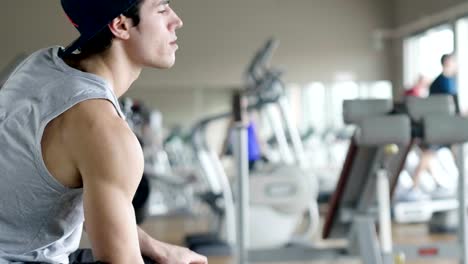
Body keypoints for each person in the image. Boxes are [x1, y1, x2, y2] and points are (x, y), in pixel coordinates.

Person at [0, 0, 207, 263]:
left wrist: (157, 247)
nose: (177, 21)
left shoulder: (40, 65)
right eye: (162, 9)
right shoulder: (103, 130)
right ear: (121, 25)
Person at [405, 54, 458, 201]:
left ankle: (433, 185)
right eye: (454, 62)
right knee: (429, 155)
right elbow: (452, 106)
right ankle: (414, 187)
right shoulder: (444, 82)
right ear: (448, 63)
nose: (457, 65)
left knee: (429, 156)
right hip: (439, 125)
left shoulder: (441, 81)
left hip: (438, 124)